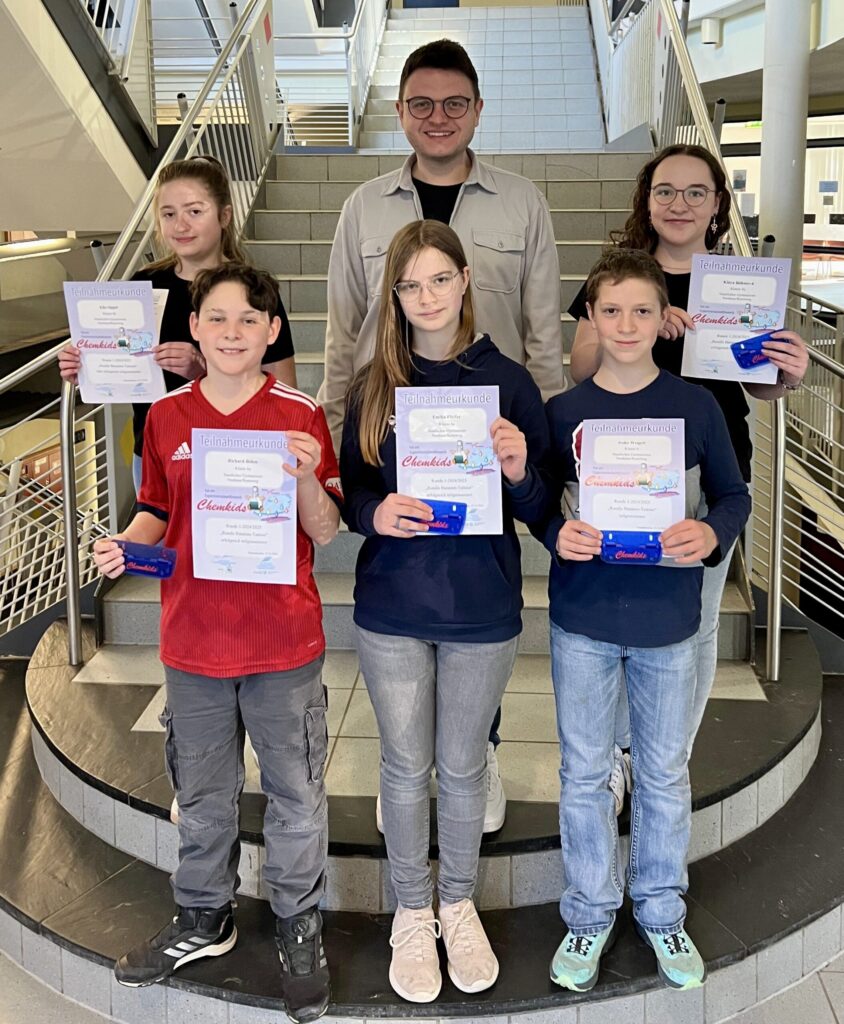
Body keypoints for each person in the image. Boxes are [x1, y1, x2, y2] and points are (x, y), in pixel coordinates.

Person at [319, 38, 565, 831]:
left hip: (490, 448)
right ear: (399, 112)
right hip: (392, 436)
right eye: (421, 104)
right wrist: (337, 438)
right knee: (402, 596)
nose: (438, 116)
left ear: (478, 110)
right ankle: (405, 765)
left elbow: (542, 332)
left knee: (478, 604)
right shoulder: (363, 207)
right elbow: (343, 330)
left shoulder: (522, 203)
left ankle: (476, 755)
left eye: (454, 102)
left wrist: (541, 452)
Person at [91, 264, 341, 1024]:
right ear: (194, 328)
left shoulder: (299, 415)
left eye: (249, 320)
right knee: (200, 795)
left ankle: (299, 921)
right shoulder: (167, 416)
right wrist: (126, 545)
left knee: (296, 794)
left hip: (281, 643)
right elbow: (156, 509)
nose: (233, 333)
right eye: (218, 318)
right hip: (193, 642)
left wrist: (306, 478)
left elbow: (327, 530)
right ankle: (205, 914)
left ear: (273, 331)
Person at [340, 221, 549, 1003]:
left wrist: (520, 470)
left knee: (462, 767)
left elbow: (539, 507)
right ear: (393, 295)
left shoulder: (510, 385)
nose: (425, 297)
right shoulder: (373, 386)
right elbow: (353, 490)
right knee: (403, 765)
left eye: (438, 279)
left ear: (464, 280)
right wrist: (375, 513)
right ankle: (411, 910)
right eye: (409, 285)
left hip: (481, 607)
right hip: (392, 606)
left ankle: (457, 904)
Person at [534, 248, 751, 993]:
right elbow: (538, 503)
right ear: (591, 319)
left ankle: (660, 906)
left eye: (642, 310)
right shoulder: (563, 414)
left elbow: (733, 496)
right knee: (584, 773)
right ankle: (590, 911)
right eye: (611, 310)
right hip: (583, 617)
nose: (626, 324)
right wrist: (552, 533)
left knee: (661, 772)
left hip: (668, 619)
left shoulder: (696, 408)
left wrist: (711, 532)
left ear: (666, 321)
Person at [567, 144, 808, 802]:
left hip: (711, 473)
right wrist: (641, 323)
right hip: (623, 475)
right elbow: (579, 368)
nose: (680, 204)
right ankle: (621, 751)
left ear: (717, 203)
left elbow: (758, 387)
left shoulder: (741, 285)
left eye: (695, 192)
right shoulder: (619, 277)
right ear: (646, 200)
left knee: (695, 627)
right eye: (665, 191)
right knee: (621, 621)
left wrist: (787, 374)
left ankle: (664, 758)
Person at [59, 155, 297, 491]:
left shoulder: (253, 290)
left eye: (194, 212)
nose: (180, 226)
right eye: (169, 214)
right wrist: (85, 365)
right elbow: (118, 370)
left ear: (224, 215)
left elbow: (285, 393)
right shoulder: (142, 287)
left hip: (233, 457)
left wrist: (204, 372)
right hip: (155, 456)